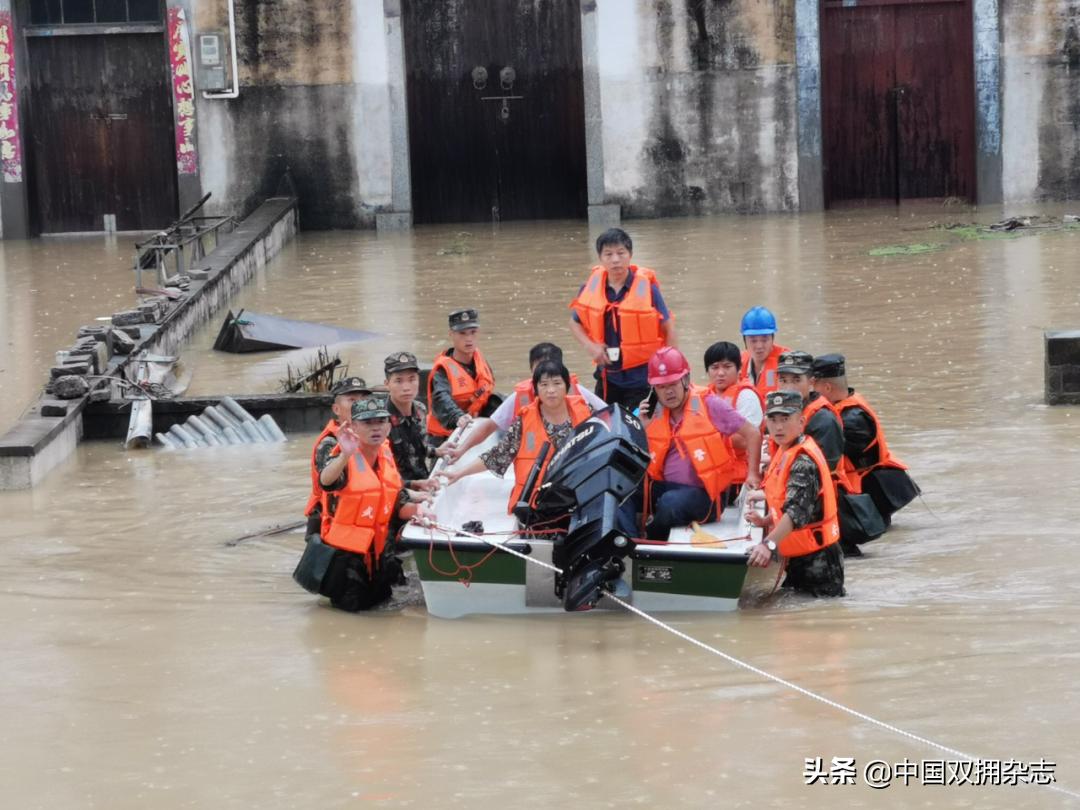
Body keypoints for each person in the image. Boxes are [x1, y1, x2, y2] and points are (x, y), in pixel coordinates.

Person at [308, 394, 427, 612]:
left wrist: (426, 512)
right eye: (367, 422)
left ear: (389, 426)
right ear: (353, 426)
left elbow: (398, 504)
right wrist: (344, 454)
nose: (375, 428)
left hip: (380, 554)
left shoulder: (385, 455)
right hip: (347, 561)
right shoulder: (343, 457)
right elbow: (327, 481)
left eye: (380, 421)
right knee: (352, 619)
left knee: (386, 616)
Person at [629, 347, 762, 541]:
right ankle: (624, 542)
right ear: (653, 389)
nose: (668, 392)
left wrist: (753, 474)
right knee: (622, 490)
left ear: (685, 380)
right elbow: (634, 452)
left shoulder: (710, 404)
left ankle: (648, 540)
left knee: (669, 503)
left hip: (705, 495)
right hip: (665, 486)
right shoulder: (651, 412)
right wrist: (642, 428)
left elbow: (753, 433)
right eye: (661, 387)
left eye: (673, 384)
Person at [442, 360, 593, 514]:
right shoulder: (524, 420)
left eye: (557, 383)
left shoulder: (587, 413)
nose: (551, 390)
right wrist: (459, 474)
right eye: (544, 385)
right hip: (535, 504)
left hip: (577, 497)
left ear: (567, 386)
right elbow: (498, 455)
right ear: (536, 389)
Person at [777, 351, 885, 556]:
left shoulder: (823, 420)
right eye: (783, 380)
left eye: (796, 380)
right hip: (800, 515)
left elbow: (820, 472)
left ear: (811, 381)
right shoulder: (782, 415)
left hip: (823, 515)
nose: (788, 387)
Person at [746, 390, 845, 597]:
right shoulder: (785, 450)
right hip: (799, 556)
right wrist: (766, 521)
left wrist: (767, 544)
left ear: (801, 422)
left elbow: (795, 513)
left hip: (819, 560)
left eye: (785, 419)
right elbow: (785, 499)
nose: (779, 426)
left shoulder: (803, 462)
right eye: (772, 420)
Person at [569, 228, 676, 411]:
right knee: (604, 427)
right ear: (600, 258)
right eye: (608, 254)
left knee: (640, 429)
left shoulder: (648, 290)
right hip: (606, 377)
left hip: (642, 378)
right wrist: (590, 346)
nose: (615, 260)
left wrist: (671, 368)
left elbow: (668, 327)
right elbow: (574, 322)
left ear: (630, 255)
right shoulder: (590, 288)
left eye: (621, 253)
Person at [443, 342, 607, 462]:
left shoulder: (578, 394)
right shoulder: (519, 400)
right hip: (534, 467)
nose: (546, 378)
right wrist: (461, 451)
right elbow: (491, 431)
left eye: (554, 378)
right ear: (532, 372)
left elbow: (609, 416)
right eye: (540, 371)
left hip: (572, 462)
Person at [811, 354, 920, 526]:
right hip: (868, 490)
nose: (811, 393)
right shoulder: (843, 407)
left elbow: (823, 451)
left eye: (813, 386)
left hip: (872, 491)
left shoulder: (853, 419)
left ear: (827, 387)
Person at [304, 376, 369, 536]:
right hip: (328, 525)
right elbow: (329, 483)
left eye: (363, 400)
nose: (359, 405)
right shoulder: (329, 443)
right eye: (352, 400)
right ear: (337, 409)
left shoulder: (370, 436)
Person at [427, 308, 497, 445]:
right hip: (445, 438)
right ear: (451, 335)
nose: (469, 339)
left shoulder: (480, 361)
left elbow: (487, 392)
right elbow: (441, 399)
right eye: (462, 333)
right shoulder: (442, 370)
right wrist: (457, 417)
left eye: (473, 332)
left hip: (474, 432)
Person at [704, 340, 764, 492]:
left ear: (739, 369)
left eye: (727, 366)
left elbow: (744, 441)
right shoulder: (702, 395)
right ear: (707, 371)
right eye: (714, 367)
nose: (720, 373)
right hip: (709, 468)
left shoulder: (746, 396)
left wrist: (703, 438)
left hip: (736, 475)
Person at [383, 351, 439, 491]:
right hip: (396, 492)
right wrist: (411, 486)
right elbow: (378, 470)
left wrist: (437, 451)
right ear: (387, 384)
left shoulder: (420, 410)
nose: (406, 387)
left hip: (424, 483)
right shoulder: (380, 420)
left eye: (412, 379)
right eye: (399, 381)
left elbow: (416, 448)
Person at [738, 306, 789, 398]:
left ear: (772, 339)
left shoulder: (786, 362)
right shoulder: (737, 362)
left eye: (764, 340)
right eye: (753, 341)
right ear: (745, 340)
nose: (759, 346)